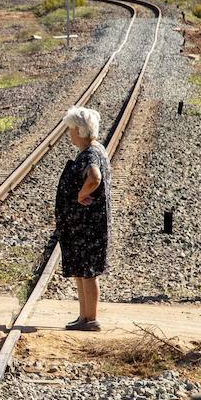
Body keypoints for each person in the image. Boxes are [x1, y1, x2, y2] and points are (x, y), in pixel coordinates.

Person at [54, 105, 112, 332]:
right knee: (82, 271)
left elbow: (95, 178)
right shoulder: (95, 149)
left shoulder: (91, 154)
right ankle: (83, 317)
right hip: (83, 224)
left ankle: (91, 319)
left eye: (70, 129)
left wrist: (81, 194)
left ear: (79, 130)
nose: (69, 133)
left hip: (88, 225)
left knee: (88, 272)